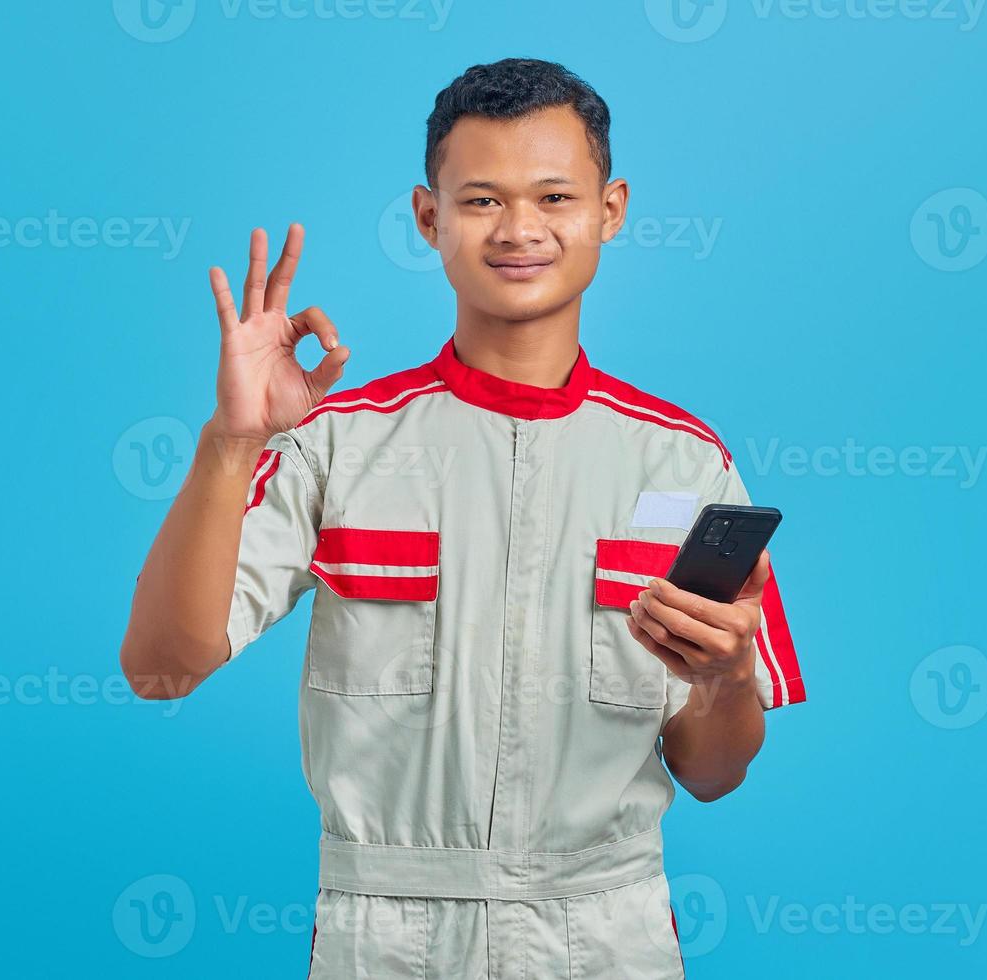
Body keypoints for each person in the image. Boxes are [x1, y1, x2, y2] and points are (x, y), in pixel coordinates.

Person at [120, 57, 805, 979]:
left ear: (610, 209)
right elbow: (162, 668)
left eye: (555, 196)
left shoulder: (685, 463)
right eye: (481, 200)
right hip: (387, 936)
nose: (521, 229)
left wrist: (725, 681)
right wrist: (230, 442)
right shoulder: (338, 445)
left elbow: (715, 775)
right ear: (428, 217)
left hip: (605, 934)